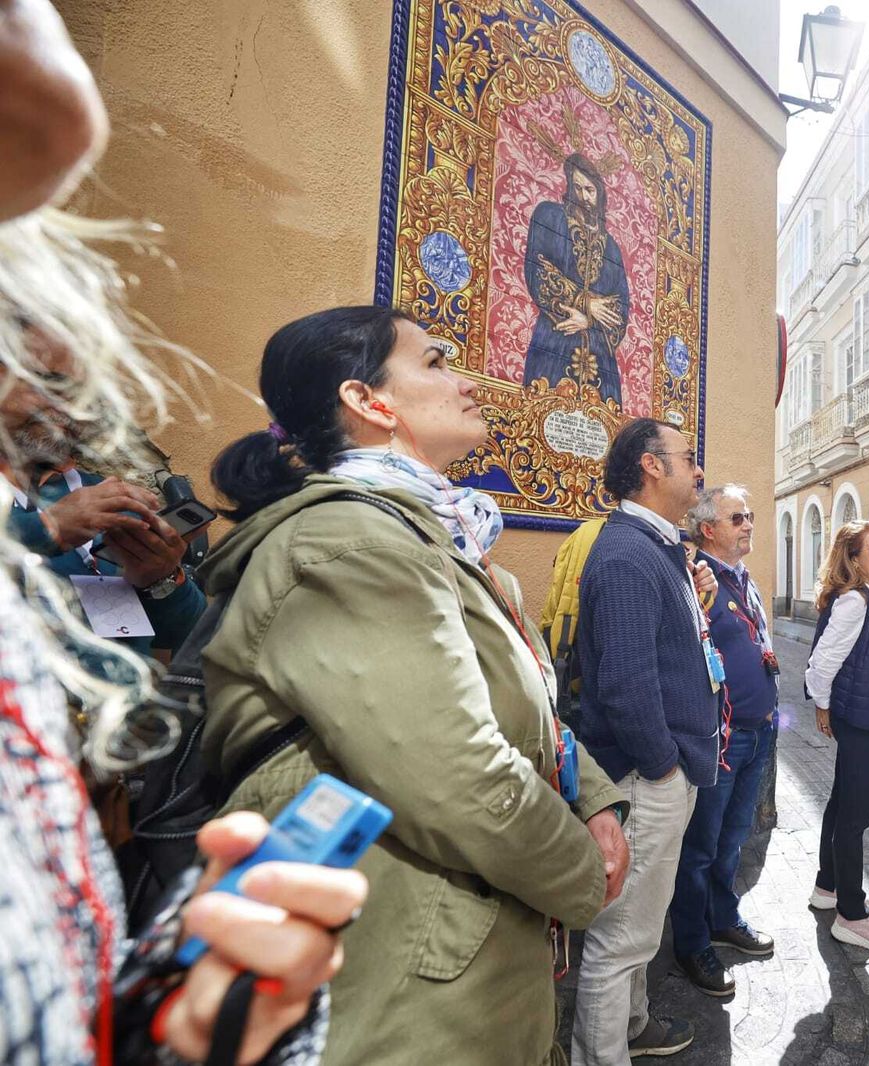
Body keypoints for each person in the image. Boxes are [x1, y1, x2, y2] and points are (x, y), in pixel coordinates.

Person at [0, 1, 362, 1060]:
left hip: (121, 755)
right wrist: (45, 523)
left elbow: (186, 631)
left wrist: (173, 1027)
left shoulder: (124, 482)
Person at [202, 305, 628, 1066]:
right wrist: (581, 874)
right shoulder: (349, 541)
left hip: (472, 966)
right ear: (368, 402)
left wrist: (592, 798)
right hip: (410, 991)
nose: (465, 382)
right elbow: (455, 774)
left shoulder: (445, 543)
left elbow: (530, 701)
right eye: (435, 361)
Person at [571, 416, 722, 1063]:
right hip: (646, 775)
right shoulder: (629, 553)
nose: (700, 469)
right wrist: (665, 768)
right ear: (651, 466)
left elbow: (665, 655)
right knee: (619, 938)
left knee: (639, 926)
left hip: (663, 771)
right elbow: (627, 686)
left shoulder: (657, 547)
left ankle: (632, 1026)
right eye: (689, 457)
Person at [669, 484, 779, 997]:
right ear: (709, 528)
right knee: (701, 845)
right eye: (739, 517)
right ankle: (692, 941)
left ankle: (722, 917)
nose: (749, 524)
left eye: (751, 515)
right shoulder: (699, 580)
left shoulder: (744, 579)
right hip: (722, 738)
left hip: (757, 733)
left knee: (733, 839)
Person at [805, 520, 869, 952]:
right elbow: (822, 662)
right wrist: (822, 705)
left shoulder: (868, 597)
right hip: (860, 717)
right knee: (856, 816)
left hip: (864, 712)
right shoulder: (854, 603)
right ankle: (852, 913)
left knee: (842, 801)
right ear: (853, 558)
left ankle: (827, 887)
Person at [9, 452, 206, 657]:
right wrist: (45, 528)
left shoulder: (110, 496)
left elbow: (181, 635)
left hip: (125, 684)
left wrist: (162, 580)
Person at [522, 152, 630, 406]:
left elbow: (621, 305)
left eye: (590, 190)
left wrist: (589, 320)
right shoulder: (550, 217)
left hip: (599, 358)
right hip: (556, 336)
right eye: (578, 188)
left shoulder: (611, 248)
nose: (584, 197)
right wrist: (584, 302)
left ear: (600, 194)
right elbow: (538, 268)